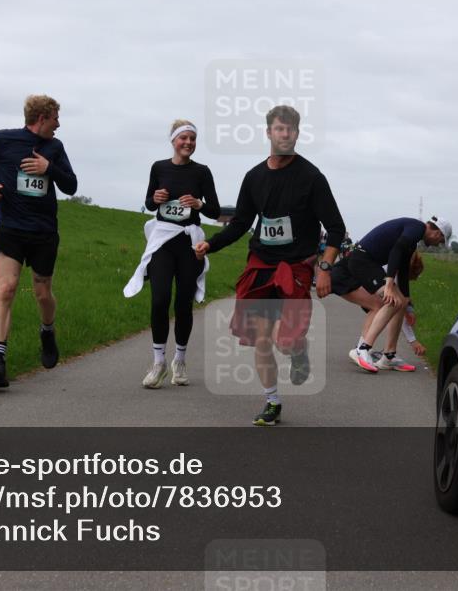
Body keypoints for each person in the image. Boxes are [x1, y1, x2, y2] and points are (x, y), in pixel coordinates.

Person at [194, 105, 345, 426]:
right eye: (279, 129)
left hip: (297, 266)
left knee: (286, 340)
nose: (285, 134)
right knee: (262, 338)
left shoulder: (312, 178)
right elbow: (240, 223)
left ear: (297, 134)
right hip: (261, 263)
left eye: (291, 130)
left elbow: (336, 229)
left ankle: (298, 352)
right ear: (269, 133)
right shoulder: (254, 177)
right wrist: (211, 244)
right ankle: (272, 401)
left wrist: (325, 267)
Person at [0, 95, 78, 388]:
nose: (58, 124)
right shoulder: (2, 140)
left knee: (42, 293)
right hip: (9, 228)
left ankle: (47, 330)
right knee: (6, 288)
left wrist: (49, 168)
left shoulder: (54, 148)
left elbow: (71, 186)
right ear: (43, 117)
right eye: (56, 118)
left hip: (43, 232)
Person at [124, 120, 219, 387]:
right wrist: (156, 199)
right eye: (183, 138)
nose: (188, 143)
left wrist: (199, 203)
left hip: (189, 244)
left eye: (192, 139)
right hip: (163, 241)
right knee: (159, 299)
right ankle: (158, 363)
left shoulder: (202, 172)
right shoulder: (159, 167)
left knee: (183, 303)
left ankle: (179, 359)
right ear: (173, 140)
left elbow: (213, 210)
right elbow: (148, 202)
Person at [336, 216, 450, 373]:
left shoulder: (413, 237)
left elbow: (403, 271)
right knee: (393, 300)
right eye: (441, 241)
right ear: (437, 233)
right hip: (362, 260)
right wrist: (389, 284)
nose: (439, 244)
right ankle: (362, 349)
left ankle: (388, 356)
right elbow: (396, 250)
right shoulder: (417, 228)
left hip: (369, 262)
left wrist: (408, 303)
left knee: (401, 301)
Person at [332, 247, 429, 372]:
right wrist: (413, 341)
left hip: (347, 274)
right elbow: (396, 308)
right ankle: (361, 350)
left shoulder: (396, 264)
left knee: (391, 303)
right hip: (343, 275)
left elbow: (401, 306)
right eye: (411, 278)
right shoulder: (390, 270)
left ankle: (386, 355)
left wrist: (408, 309)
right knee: (380, 305)